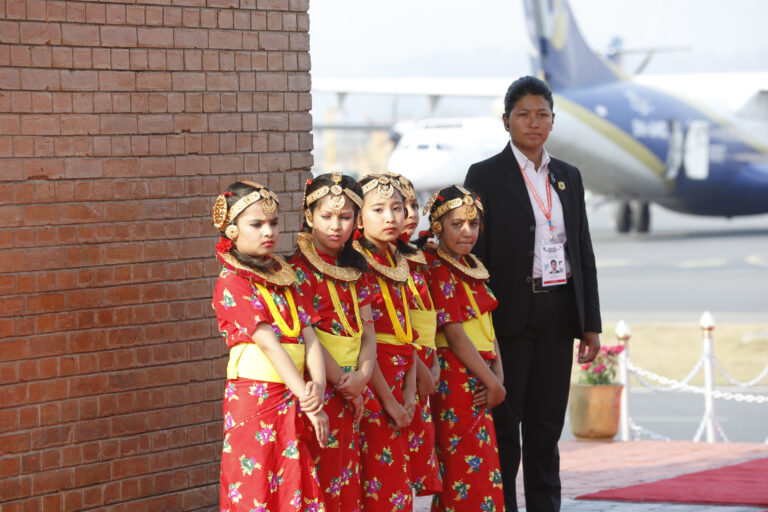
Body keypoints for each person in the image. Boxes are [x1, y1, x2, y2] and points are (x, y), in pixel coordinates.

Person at [464, 75, 602, 511]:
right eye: (523, 114)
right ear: (506, 121)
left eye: (542, 114)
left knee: (546, 427)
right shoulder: (484, 175)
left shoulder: (568, 177)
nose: (533, 123)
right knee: (505, 427)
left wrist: (590, 324)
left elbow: (581, 250)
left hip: (558, 313)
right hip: (507, 317)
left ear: (553, 121)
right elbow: (474, 256)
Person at [211, 180, 329, 511]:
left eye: (273, 223)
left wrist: (318, 388)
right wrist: (310, 401)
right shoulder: (231, 280)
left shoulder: (286, 276)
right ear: (231, 230)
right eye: (257, 224)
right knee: (257, 487)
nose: (269, 232)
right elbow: (268, 344)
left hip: (294, 394)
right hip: (256, 400)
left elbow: (310, 336)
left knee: (295, 483)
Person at [290, 172, 376, 511]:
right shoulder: (296, 271)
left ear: (357, 220)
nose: (336, 225)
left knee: (346, 477)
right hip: (320, 386)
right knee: (322, 477)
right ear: (309, 216)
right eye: (326, 216)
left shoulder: (356, 268)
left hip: (353, 385)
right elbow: (308, 336)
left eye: (345, 217)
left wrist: (363, 377)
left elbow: (368, 332)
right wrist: (345, 383)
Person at [417, 185, 506, 512]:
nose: (467, 231)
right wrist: (493, 382)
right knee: (463, 466)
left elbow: (487, 325)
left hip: (480, 375)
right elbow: (454, 335)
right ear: (437, 226)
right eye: (457, 224)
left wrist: (498, 374)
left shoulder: (470, 264)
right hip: (456, 378)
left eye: (474, 224)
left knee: (483, 464)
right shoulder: (438, 268)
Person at [354, 174, 418, 512]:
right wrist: (390, 401)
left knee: (399, 481)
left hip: (402, 378)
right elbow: (366, 342)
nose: (391, 217)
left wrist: (410, 390)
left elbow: (408, 331)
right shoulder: (355, 264)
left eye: (397, 208)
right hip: (374, 384)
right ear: (358, 218)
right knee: (378, 482)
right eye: (378, 209)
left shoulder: (396, 258)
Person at [395, 173, 442, 497]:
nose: (411, 214)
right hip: (402, 368)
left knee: (418, 462)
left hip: (424, 364)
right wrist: (420, 368)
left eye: (413, 206)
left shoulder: (416, 258)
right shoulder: (377, 264)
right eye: (402, 207)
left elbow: (427, 318)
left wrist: (433, 360)